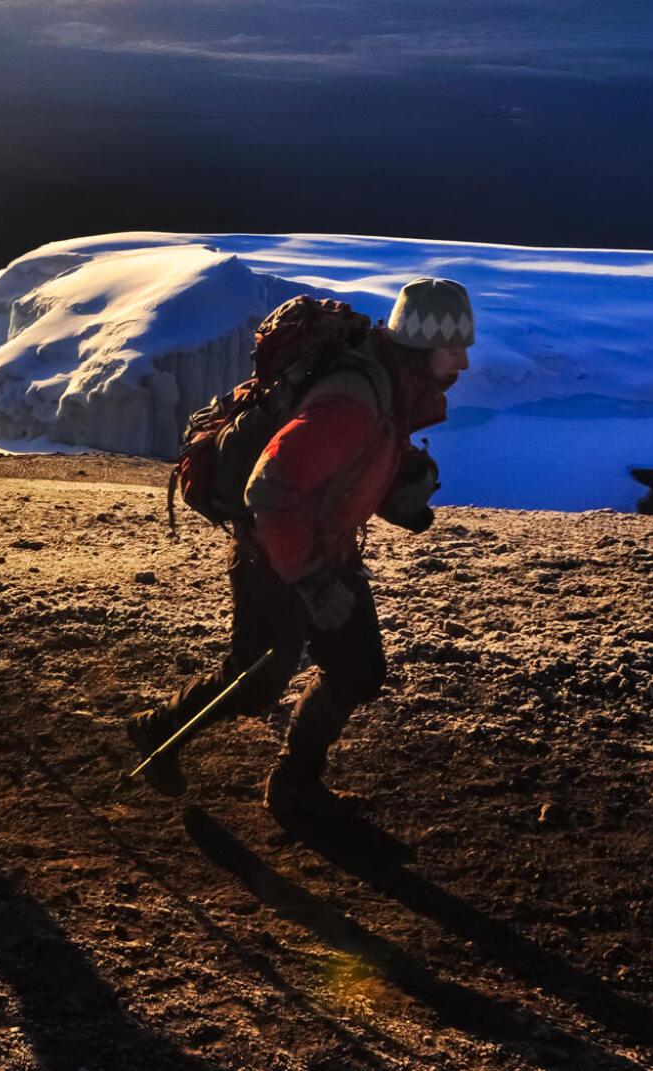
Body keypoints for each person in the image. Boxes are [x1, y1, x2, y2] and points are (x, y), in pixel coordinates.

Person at [126, 278, 475, 819]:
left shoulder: (387, 384)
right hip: (276, 556)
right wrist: (311, 581)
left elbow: (344, 465)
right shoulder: (355, 399)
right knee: (255, 679)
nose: (464, 364)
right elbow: (271, 487)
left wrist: (399, 484)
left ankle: (295, 785)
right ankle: (159, 728)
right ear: (421, 347)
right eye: (455, 349)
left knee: (356, 669)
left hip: (325, 551)